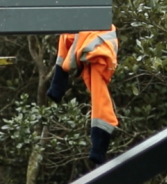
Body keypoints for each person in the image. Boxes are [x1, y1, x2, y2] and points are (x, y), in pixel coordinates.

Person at [46, 25, 119, 164]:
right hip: (99, 54)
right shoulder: (76, 27)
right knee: (100, 98)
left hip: (100, 54)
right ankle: (57, 85)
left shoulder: (84, 25)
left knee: (100, 99)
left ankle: (58, 85)